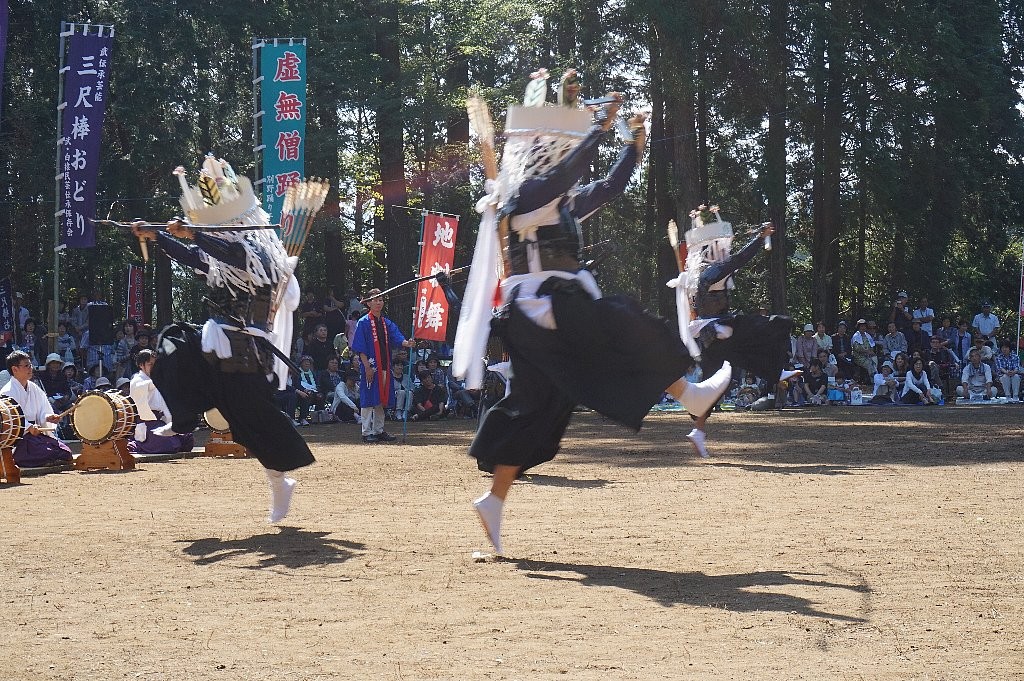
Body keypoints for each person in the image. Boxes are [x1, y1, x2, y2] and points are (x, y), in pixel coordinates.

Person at [453, 71, 733, 555]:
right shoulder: (520, 198)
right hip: (542, 310)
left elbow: (607, 187)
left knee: (539, 411)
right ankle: (689, 395)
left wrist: (634, 144)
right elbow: (565, 175)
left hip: (546, 314)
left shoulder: (556, 204)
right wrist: (596, 131)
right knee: (620, 320)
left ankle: (493, 501)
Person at [130, 156, 315, 523]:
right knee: (172, 342)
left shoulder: (253, 251)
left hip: (247, 351)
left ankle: (279, 480)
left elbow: (224, 252)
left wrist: (192, 233)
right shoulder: (219, 257)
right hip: (218, 343)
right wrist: (158, 237)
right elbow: (193, 256)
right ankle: (181, 418)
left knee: (251, 424)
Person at [350, 289, 417, 443]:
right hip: (371, 365)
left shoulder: (386, 322)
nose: (378, 302)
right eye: (375, 300)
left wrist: (407, 343)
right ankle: (366, 432)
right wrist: (366, 366)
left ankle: (379, 430)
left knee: (381, 398)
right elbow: (360, 347)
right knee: (368, 399)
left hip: (385, 365)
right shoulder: (363, 322)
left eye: (380, 299)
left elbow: (397, 336)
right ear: (368, 303)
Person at [1, 351, 73, 467]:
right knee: (43, 451)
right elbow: (8, 420)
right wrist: (29, 427)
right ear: (15, 369)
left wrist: (48, 417)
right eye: (26, 366)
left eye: (30, 365)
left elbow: (43, 410)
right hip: (20, 438)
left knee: (65, 452)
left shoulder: (34, 388)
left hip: (36, 434)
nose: (31, 368)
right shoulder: (7, 391)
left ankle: (46, 460)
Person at [128, 348, 194, 454]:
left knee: (187, 439)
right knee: (170, 444)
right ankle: (135, 444)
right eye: (150, 364)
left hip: (161, 419)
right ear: (141, 365)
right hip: (147, 421)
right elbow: (143, 387)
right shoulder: (137, 380)